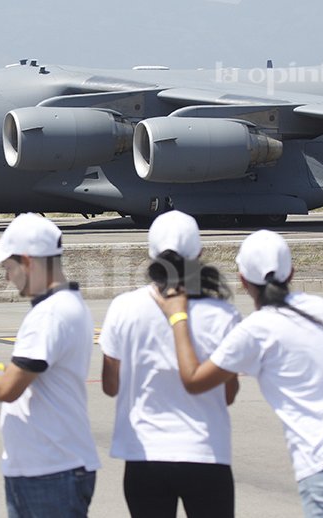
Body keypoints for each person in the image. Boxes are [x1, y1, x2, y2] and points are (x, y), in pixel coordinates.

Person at [154, 229, 323, 518]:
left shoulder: (256, 330)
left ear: (242, 280)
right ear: (291, 273)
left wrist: (177, 315)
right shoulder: (319, 308)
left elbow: (194, 380)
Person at [0, 213, 100, 518]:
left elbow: (8, 390)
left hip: (49, 471)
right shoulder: (67, 305)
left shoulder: (49, 315)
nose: (6, 277)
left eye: (8, 267)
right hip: (53, 466)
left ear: (27, 261)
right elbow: (39, 377)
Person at [99, 210, 241, 518]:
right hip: (206, 454)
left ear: (151, 255)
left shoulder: (124, 308)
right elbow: (228, 394)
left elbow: (111, 386)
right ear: (200, 253)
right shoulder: (223, 314)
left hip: (144, 455)